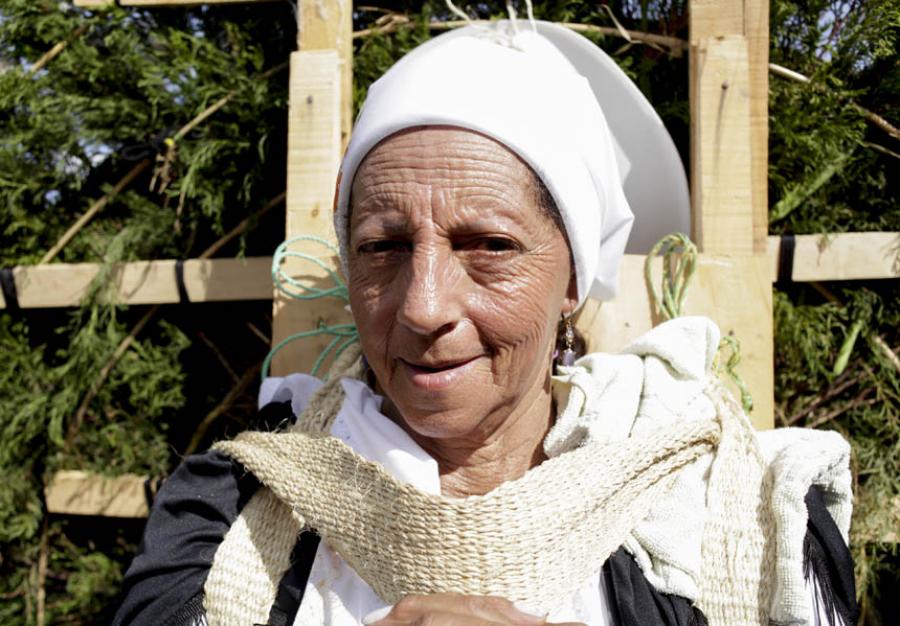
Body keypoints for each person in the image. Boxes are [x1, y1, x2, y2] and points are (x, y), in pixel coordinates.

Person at [113, 21, 857, 626]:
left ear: (570, 278)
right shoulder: (230, 512)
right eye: (383, 247)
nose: (422, 306)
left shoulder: (737, 516)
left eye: (490, 246)